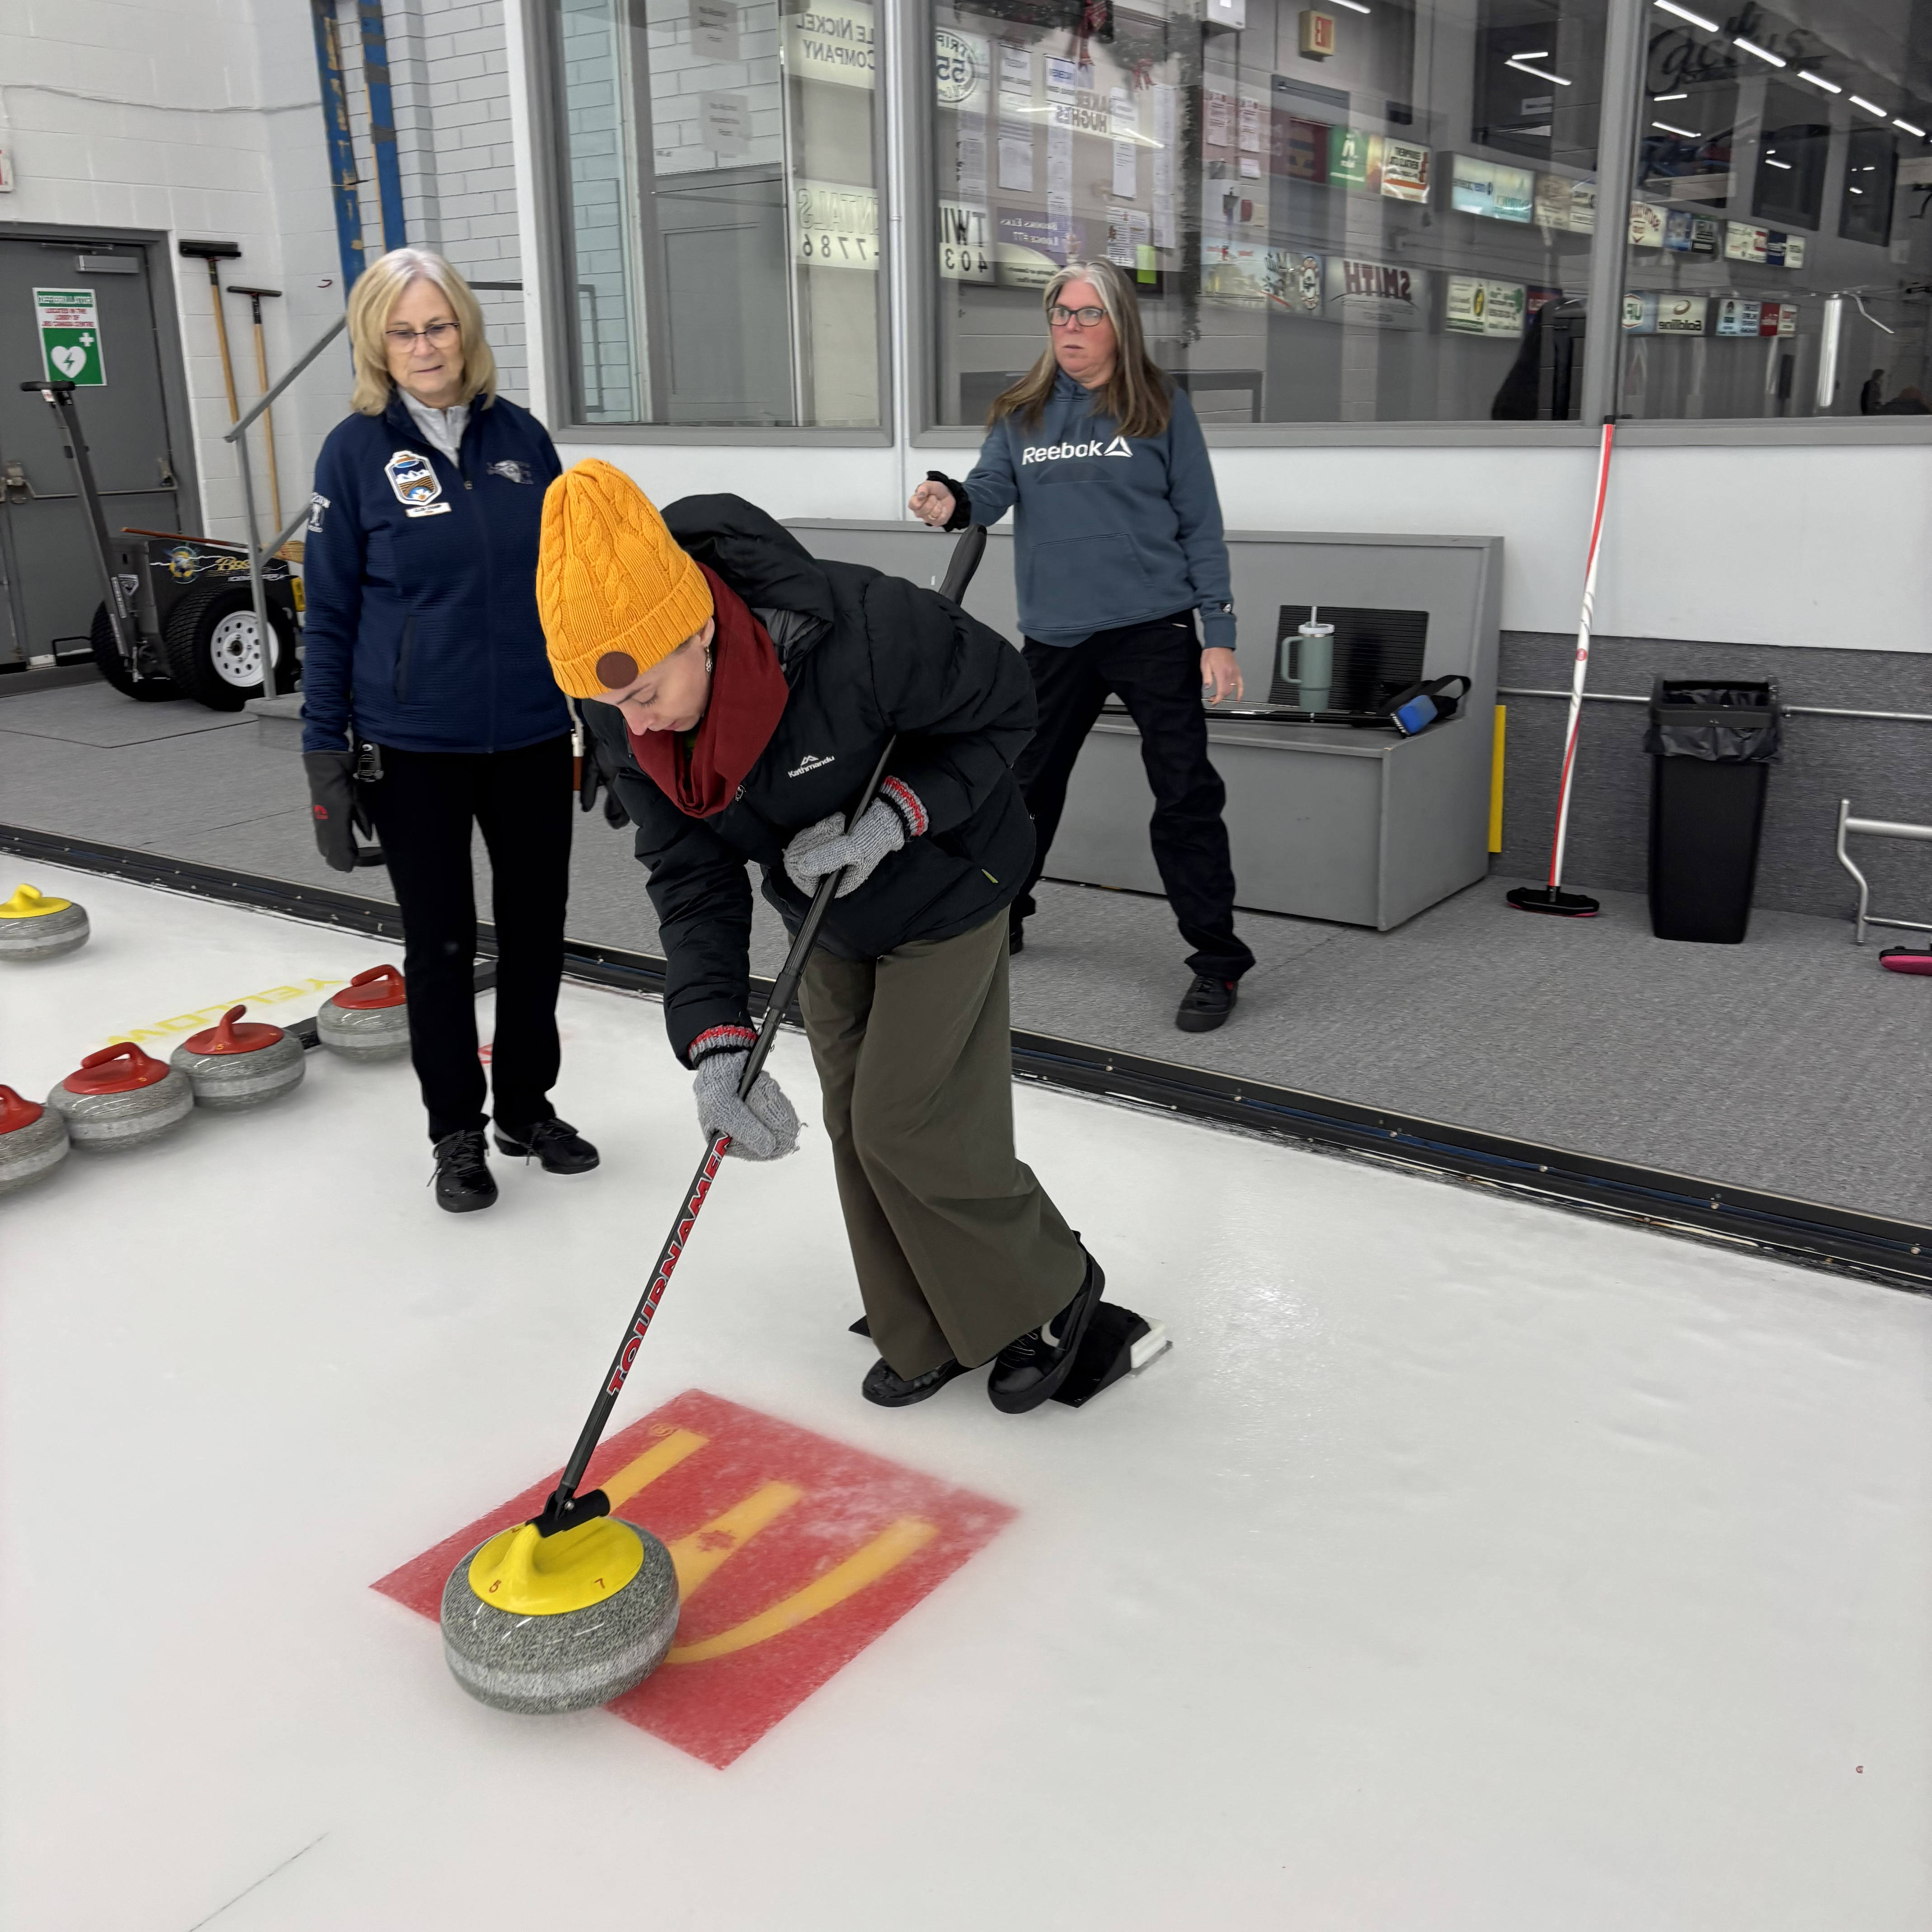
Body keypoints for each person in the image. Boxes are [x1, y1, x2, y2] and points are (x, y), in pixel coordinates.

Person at [539, 463, 1105, 1412]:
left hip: (950, 878)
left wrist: (897, 811)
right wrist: (714, 1037)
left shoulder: (863, 629)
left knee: (905, 1120)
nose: (632, 722)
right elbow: (689, 872)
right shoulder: (621, 709)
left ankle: (1047, 1284)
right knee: (853, 1124)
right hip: (824, 910)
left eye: (643, 691)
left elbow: (1009, 706)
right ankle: (919, 1319)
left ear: (699, 627)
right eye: (612, 707)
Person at [300, 247, 598, 1213]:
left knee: (535, 932)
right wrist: (323, 748)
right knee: (436, 946)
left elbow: (569, 593)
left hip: (527, 732)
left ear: (464, 329)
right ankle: (456, 1131)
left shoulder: (523, 439)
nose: (425, 345)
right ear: (375, 343)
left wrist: (599, 714)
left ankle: (524, 1105)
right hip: (410, 740)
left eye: (438, 325)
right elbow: (331, 613)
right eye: (403, 330)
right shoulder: (353, 453)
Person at [910, 256, 1255, 1034]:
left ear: (1118, 323)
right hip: (1057, 634)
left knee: (1184, 793)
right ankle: (1006, 915)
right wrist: (952, 499)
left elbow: (1200, 523)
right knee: (1024, 788)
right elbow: (987, 492)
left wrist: (1220, 634)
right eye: (1060, 314)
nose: (1070, 327)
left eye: (1086, 314)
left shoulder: (1160, 406)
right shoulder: (1021, 411)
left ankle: (1217, 963)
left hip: (1152, 627)